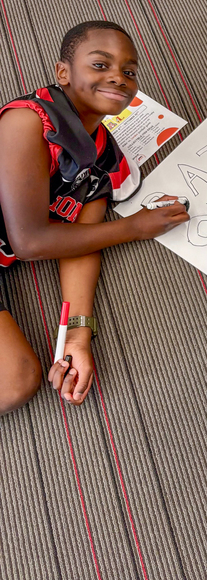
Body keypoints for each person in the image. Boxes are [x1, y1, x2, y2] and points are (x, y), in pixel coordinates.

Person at [0, 21, 189, 415]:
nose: (118, 77)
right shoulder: (26, 123)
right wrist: (133, 227)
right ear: (63, 73)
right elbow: (30, 243)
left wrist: (77, 335)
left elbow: (85, 240)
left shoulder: (102, 154)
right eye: (101, 65)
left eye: (129, 71)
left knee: (16, 382)